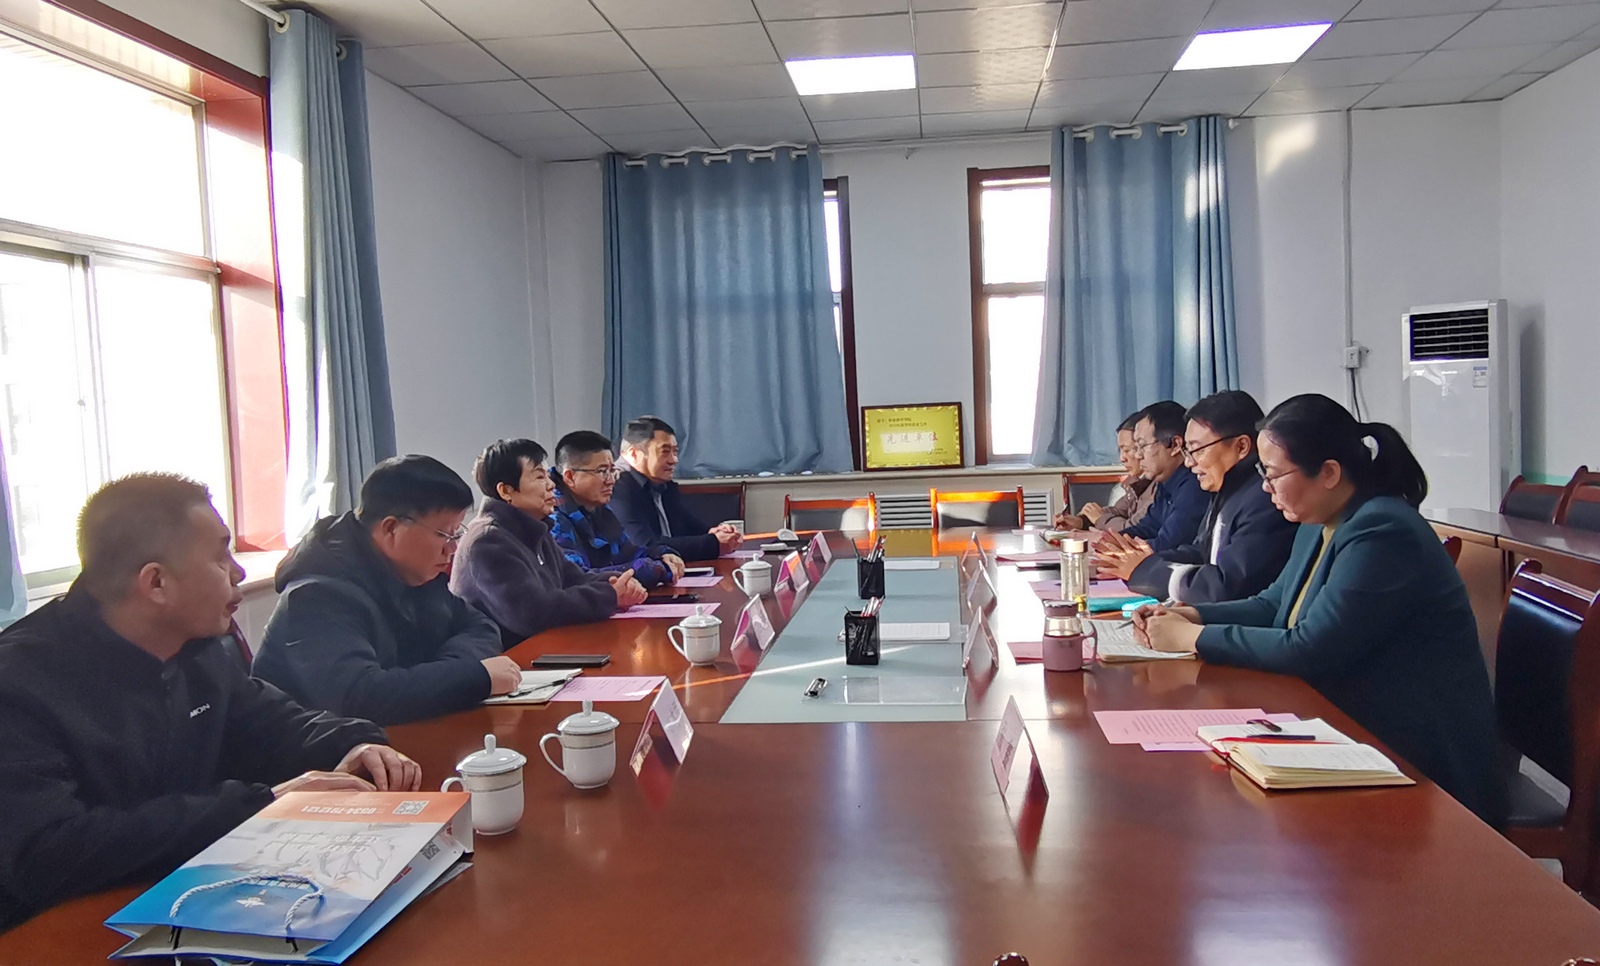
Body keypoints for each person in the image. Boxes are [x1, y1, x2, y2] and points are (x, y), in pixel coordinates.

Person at [0, 474, 421, 931]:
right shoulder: (19, 683)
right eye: (220, 557)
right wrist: (261, 805)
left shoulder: (196, 649)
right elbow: (48, 854)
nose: (238, 572)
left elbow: (272, 723)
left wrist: (353, 743)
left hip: (183, 894)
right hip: (60, 929)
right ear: (156, 583)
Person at [1133, 393, 1503, 826]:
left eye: (1274, 474)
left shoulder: (1383, 531)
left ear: (1328, 473)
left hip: (1420, 755)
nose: (1265, 488)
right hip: (1356, 726)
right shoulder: (1320, 520)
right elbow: (1274, 604)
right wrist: (1192, 615)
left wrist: (1193, 639)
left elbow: (1310, 648)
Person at [253, 456, 522, 726]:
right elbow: (362, 697)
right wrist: (473, 677)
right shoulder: (316, 596)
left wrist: (450, 671)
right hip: (322, 749)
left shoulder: (415, 573)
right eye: (443, 535)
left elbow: (480, 626)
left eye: (456, 534)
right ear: (391, 528)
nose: (452, 549)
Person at [1104, 390, 1295, 604]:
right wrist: (1143, 560)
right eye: (1188, 452)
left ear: (1241, 446)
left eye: (1197, 450)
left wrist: (1147, 570)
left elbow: (1226, 586)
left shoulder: (1264, 499)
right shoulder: (1228, 488)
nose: (1189, 462)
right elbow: (1201, 552)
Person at [452, 438, 648, 646]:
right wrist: (610, 595)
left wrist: (616, 582)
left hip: (547, 648)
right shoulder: (488, 541)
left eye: (547, 475)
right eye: (539, 477)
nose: (551, 484)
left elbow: (573, 578)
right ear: (506, 491)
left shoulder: (534, 528)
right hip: (509, 656)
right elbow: (532, 612)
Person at [550, 430, 685, 589]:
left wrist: (662, 554)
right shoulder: (553, 518)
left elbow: (629, 551)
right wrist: (650, 569)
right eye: (602, 472)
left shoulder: (598, 508)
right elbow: (579, 578)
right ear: (570, 477)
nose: (611, 481)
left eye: (612, 471)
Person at [610, 416, 742, 562]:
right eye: (665, 452)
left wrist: (713, 533)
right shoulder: (616, 486)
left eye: (675, 451)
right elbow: (645, 546)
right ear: (634, 454)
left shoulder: (661, 483)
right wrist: (713, 544)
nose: (674, 460)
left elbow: (685, 524)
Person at [1101, 401, 1207, 554]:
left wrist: (1117, 548)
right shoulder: (1165, 483)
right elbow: (1147, 528)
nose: (1138, 455)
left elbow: (1167, 544)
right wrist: (1110, 540)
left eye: (1142, 446)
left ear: (1175, 445)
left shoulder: (1194, 486)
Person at [1055, 411, 1154, 533]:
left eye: (1127, 450)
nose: (1122, 458)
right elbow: (1119, 511)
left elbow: (1133, 528)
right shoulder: (1137, 481)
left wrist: (1100, 518)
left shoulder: (1158, 485)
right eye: (1120, 451)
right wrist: (1082, 522)